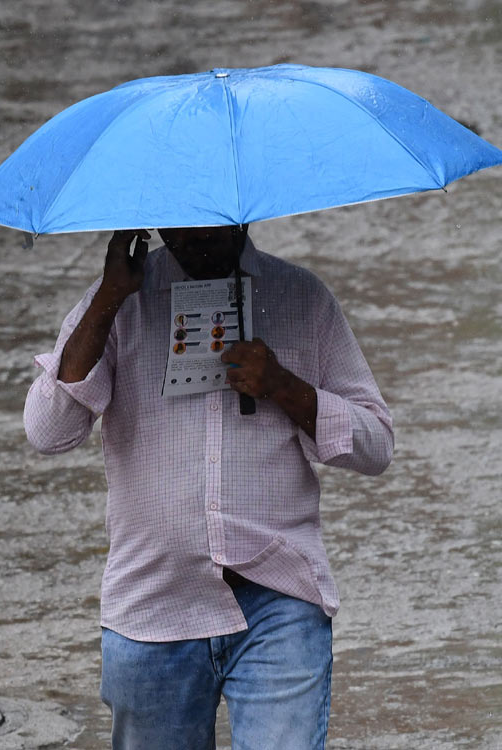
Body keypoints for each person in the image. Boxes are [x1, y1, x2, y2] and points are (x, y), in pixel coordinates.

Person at [23, 226, 393, 749]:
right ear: (156, 223)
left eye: (209, 223)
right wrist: (109, 298)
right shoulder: (119, 300)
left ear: (240, 214)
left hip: (278, 598)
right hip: (154, 604)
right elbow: (47, 431)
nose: (194, 235)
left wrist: (283, 386)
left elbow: (376, 444)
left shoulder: (302, 298)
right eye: (179, 224)